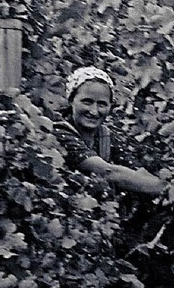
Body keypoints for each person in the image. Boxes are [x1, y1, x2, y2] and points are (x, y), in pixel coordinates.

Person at [53, 66, 166, 194]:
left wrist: (171, 189)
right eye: (87, 102)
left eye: (102, 104)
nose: (94, 111)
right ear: (71, 100)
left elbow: (137, 171)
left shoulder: (106, 135)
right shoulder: (59, 132)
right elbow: (108, 172)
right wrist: (163, 189)